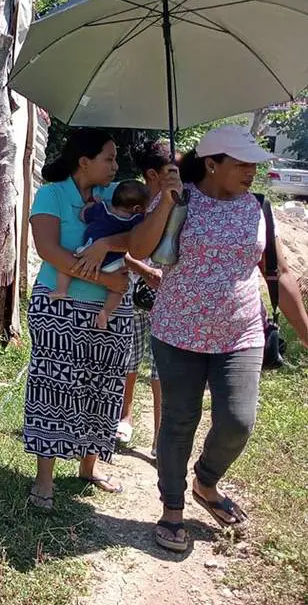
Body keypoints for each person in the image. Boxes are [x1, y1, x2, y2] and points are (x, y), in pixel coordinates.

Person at [129, 124, 308, 552]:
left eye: (254, 165)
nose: (251, 172)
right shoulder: (178, 199)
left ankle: (205, 482)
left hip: (240, 333)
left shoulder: (258, 208)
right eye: (242, 164)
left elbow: (279, 273)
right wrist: (165, 201)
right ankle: (172, 508)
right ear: (212, 164)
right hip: (178, 331)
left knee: (238, 421)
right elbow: (137, 247)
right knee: (179, 421)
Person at [25, 129, 135, 510]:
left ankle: (89, 467)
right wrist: (106, 279)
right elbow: (48, 250)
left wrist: (168, 182)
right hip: (59, 307)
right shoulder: (51, 195)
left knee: (103, 387)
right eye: (109, 158)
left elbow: (142, 232)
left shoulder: (114, 195)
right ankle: (44, 478)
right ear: (84, 162)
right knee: (53, 387)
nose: (115, 165)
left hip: (109, 313)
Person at [115, 141, 174, 453]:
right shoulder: (133, 199)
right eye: (172, 169)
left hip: (167, 295)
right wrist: (145, 269)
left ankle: (159, 437)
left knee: (161, 365)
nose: (179, 175)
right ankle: (124, 417)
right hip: (132, 290)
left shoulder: (179, 203)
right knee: (129, 356)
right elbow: (116, 244)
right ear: (153, 174)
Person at [51, 179, 149, 329]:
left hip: (87, 253)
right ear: (137, 208)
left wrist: (91, 204)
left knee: (65, 266)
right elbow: (140, 236)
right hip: (114, 264)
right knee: (118, 290)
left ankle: (61, 290)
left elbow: (83, 216)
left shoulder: (101, 209)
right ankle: (106, 312)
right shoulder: (136, 220)